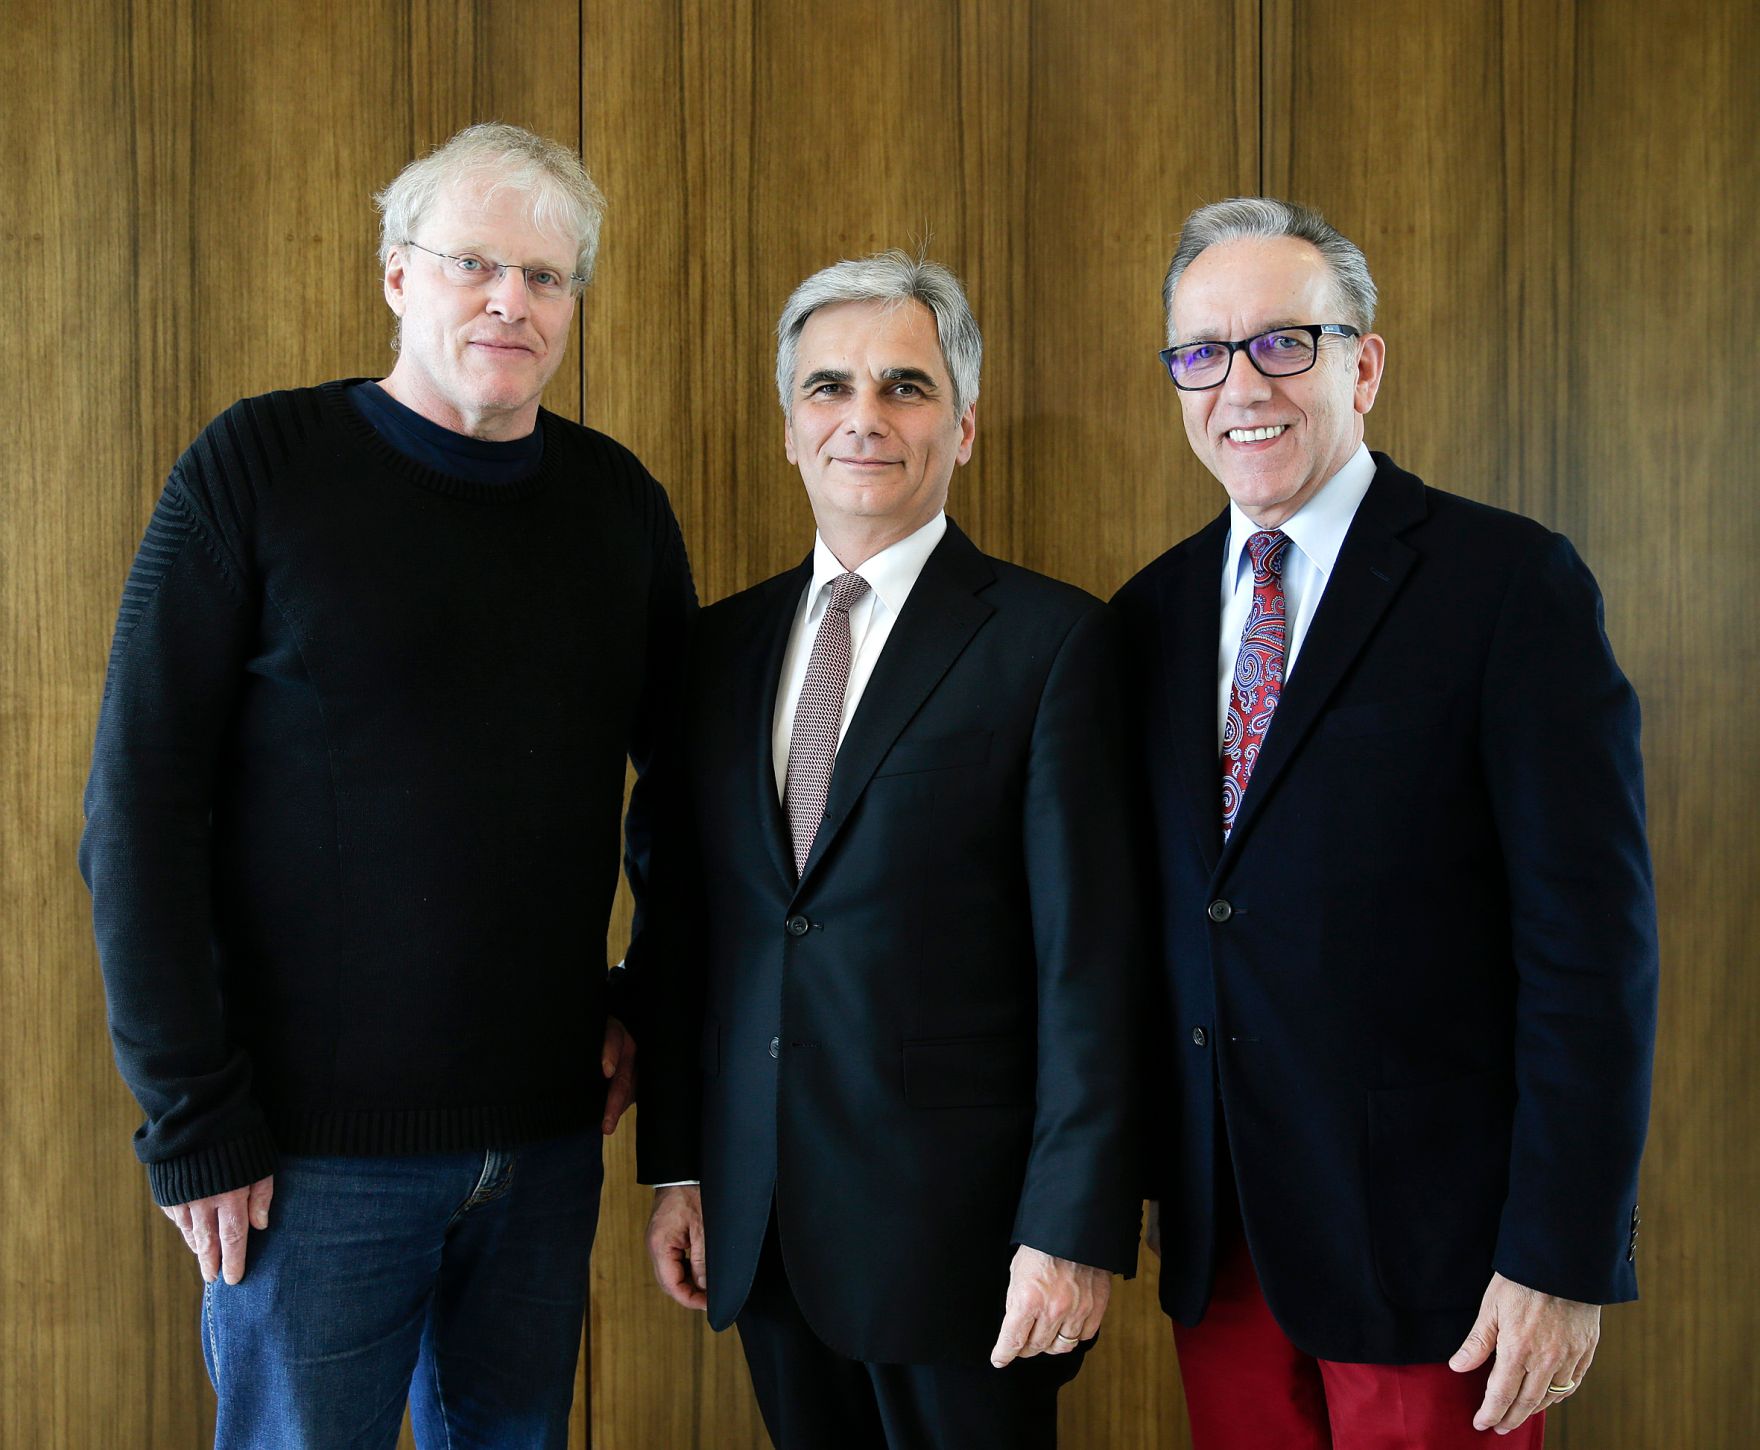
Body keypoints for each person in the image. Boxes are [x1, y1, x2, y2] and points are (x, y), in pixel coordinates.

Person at [80, 123, 693, 1448]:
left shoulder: (617, 505)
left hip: (543, 1144)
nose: (510, 302)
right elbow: (138, 807)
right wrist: (192, 1117)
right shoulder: (259, 466)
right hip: (304, 1160)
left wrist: (647, 999)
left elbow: (694, 799)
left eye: (547, 275)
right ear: (395, 276)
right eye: (473, 262)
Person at [1111, 197, 1659, 1448]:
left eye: (1282, 342)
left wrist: (1560, 1252)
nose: (1239, 384)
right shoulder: (1145, 615)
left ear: (1362, 363)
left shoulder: (1507, 585)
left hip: (1442, 1258)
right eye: (1201, 353)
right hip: (1224, 1241)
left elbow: (1590, 951)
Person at [638, 251, 1141, 1449]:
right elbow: (683, 929)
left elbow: (1091, 964)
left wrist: (1072, 1225)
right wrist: (679, 1165)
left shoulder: (1051, 643)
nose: (862, 417)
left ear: (962, 427)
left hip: (967, 1248)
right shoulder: (715, 651)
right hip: (761, 1230)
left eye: (904, 387)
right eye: (828, 387)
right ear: (786, 425)